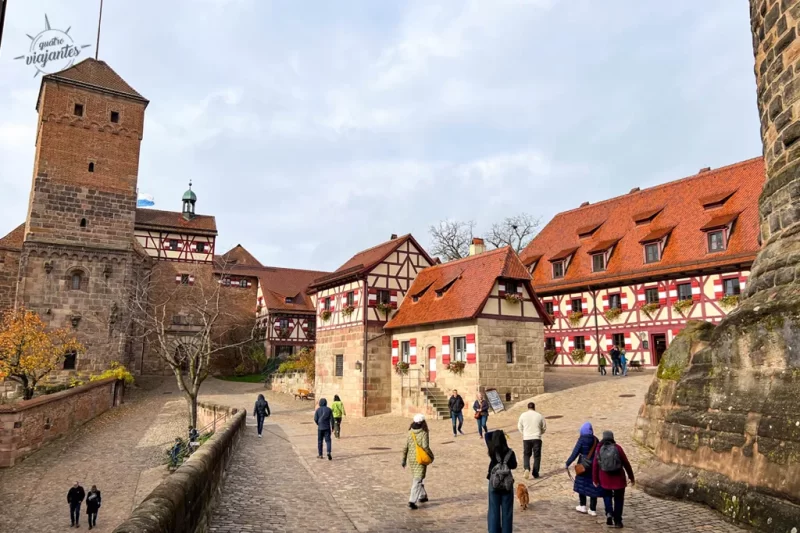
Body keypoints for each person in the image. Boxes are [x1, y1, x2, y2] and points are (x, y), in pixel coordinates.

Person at [592, 430, 635, 528]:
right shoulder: (618, 448)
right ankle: (618, 521)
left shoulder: (599, 449)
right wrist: (631, 477)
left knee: (607, 496)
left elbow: (595, 465)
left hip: (604, 479)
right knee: (619, 499)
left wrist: (595, 479)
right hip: (618, 479)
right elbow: (626, 463)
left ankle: (609, 513)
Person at [565, 422, 603, 517]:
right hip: (594, 465)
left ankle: (583, 506)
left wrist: (567, 463)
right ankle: (592, 509)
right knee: (593, 485)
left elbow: (575, 452)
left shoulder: (581, 440)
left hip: (583, 465)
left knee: (581, 484)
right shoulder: (595, 439)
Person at [487, 430, 517, 533]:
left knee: (493, 511)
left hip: (494, 484)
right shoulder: (510, 453)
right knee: (507, 512)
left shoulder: (492, 451)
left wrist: (496, 435)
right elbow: (514, 465)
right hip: (507, 484)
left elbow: (487, 435)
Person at [401, 413, 434, 510]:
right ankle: (412, 501)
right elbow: (425, 446)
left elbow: (405, 447)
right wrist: (431, 456)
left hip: (411, 459)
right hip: (420, 458)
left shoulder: (410, 432)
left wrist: (404, 459)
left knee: (418, 476)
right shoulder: (423, 432)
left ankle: (422, 496)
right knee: (418, 479)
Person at [517, 401, 546, 479]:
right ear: (534, 407)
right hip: (537, 438)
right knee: (537, 456)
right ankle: (535, 472)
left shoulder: (523, 415)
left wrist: (524, 433)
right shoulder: (539, 415)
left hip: (526, 438)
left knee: (526, 454)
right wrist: (540, 433)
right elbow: (544, 427)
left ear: (528, 408)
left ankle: (527, 468)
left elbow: (519, 426)